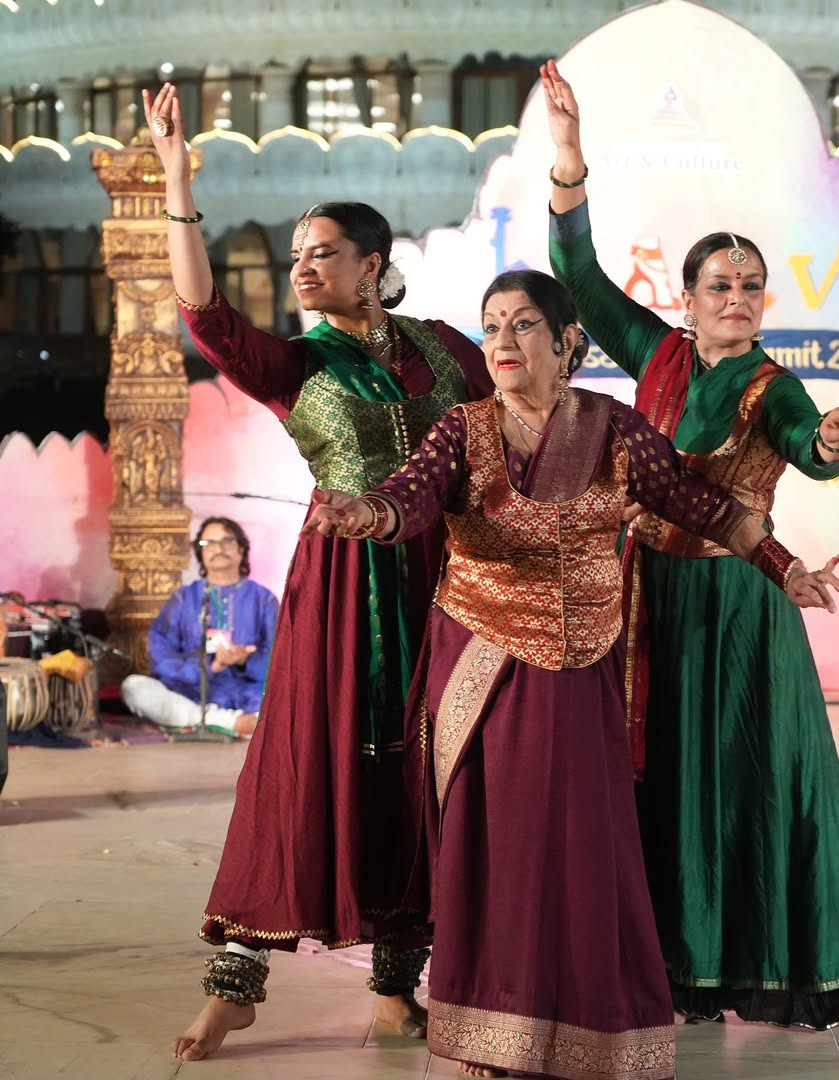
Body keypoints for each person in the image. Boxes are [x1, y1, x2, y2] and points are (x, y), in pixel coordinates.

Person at [304, 269, 839, 1079]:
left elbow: (698, 503)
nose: (502, 342)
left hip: (584, 663)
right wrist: (367, 513)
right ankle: (493, 1035)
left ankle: (594, 1030)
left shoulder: (614, 429)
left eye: (523, 326)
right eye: (491, 328)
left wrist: (782, 564)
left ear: (567, 345)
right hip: (483, 660)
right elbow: (410, 499)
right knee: (499, 849)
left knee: (587, 848)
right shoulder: (463, 428)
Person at [541, 60, 839, 1045]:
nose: (741, 297)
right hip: (653, 602)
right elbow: (577, 277)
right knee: (662, 783)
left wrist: (831, 443)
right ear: (690, 292)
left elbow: (808, 448)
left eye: (753, 284)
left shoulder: (772, 384)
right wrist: (571, 161)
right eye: (723, 283)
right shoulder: (659, 354)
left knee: (772, 780)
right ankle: (680, 969)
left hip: (742, 610)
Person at [141, 82, 493, 1062]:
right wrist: (178, 180)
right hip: (344, 588)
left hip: (446, 580)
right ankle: (237, 982)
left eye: (321, 253)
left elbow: (506, 426)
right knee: (308, 769)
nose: (301, 268)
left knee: (429, 770)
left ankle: (396, 988)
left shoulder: (447, 354)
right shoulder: (299, 364)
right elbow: (207, 317)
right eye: (295, 257)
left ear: (372, 266)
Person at [121, 516, 277, 738]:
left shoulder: (263, 599)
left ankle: (234, 722)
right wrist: (210, 666)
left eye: (227, 541)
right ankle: (234, 723)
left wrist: (244, 660)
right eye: (208, 543)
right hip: (193, 695)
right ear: (200, 554)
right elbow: (161, 656)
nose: (218, 549)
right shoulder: (184, 599)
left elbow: (284, 659)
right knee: (134, 687)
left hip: (252, 695)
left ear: (241, 550)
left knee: (303, 694)